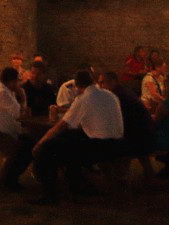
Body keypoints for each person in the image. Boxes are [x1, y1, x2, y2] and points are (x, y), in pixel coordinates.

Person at [30, 70, 124, 205]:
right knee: (69, 140)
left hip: (99, 147)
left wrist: (40, 143)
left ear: (78, 86)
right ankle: (77, 184)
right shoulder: (110, 95)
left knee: (47, 149)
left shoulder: (84, 98)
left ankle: (50, 194)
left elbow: (61, 125)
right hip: (118, 144)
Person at [0, 67, 33, 192]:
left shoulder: (4, 91)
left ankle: (11, 179)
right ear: (12, 81)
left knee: (30, 145)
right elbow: (19, 113)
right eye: (17, 81)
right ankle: (4, 181)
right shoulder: (1, 93)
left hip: (4, 130)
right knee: (18, 149)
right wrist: (23, 97)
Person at [105, 71, 155, 183]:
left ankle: (120, 178)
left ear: (112, 81)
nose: (101, 86)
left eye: (103, 82)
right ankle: (147, 174)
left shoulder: (117, 96)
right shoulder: (124, 91)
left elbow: (121, 120)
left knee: (110, 145)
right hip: (145, 133)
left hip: (138, 136)